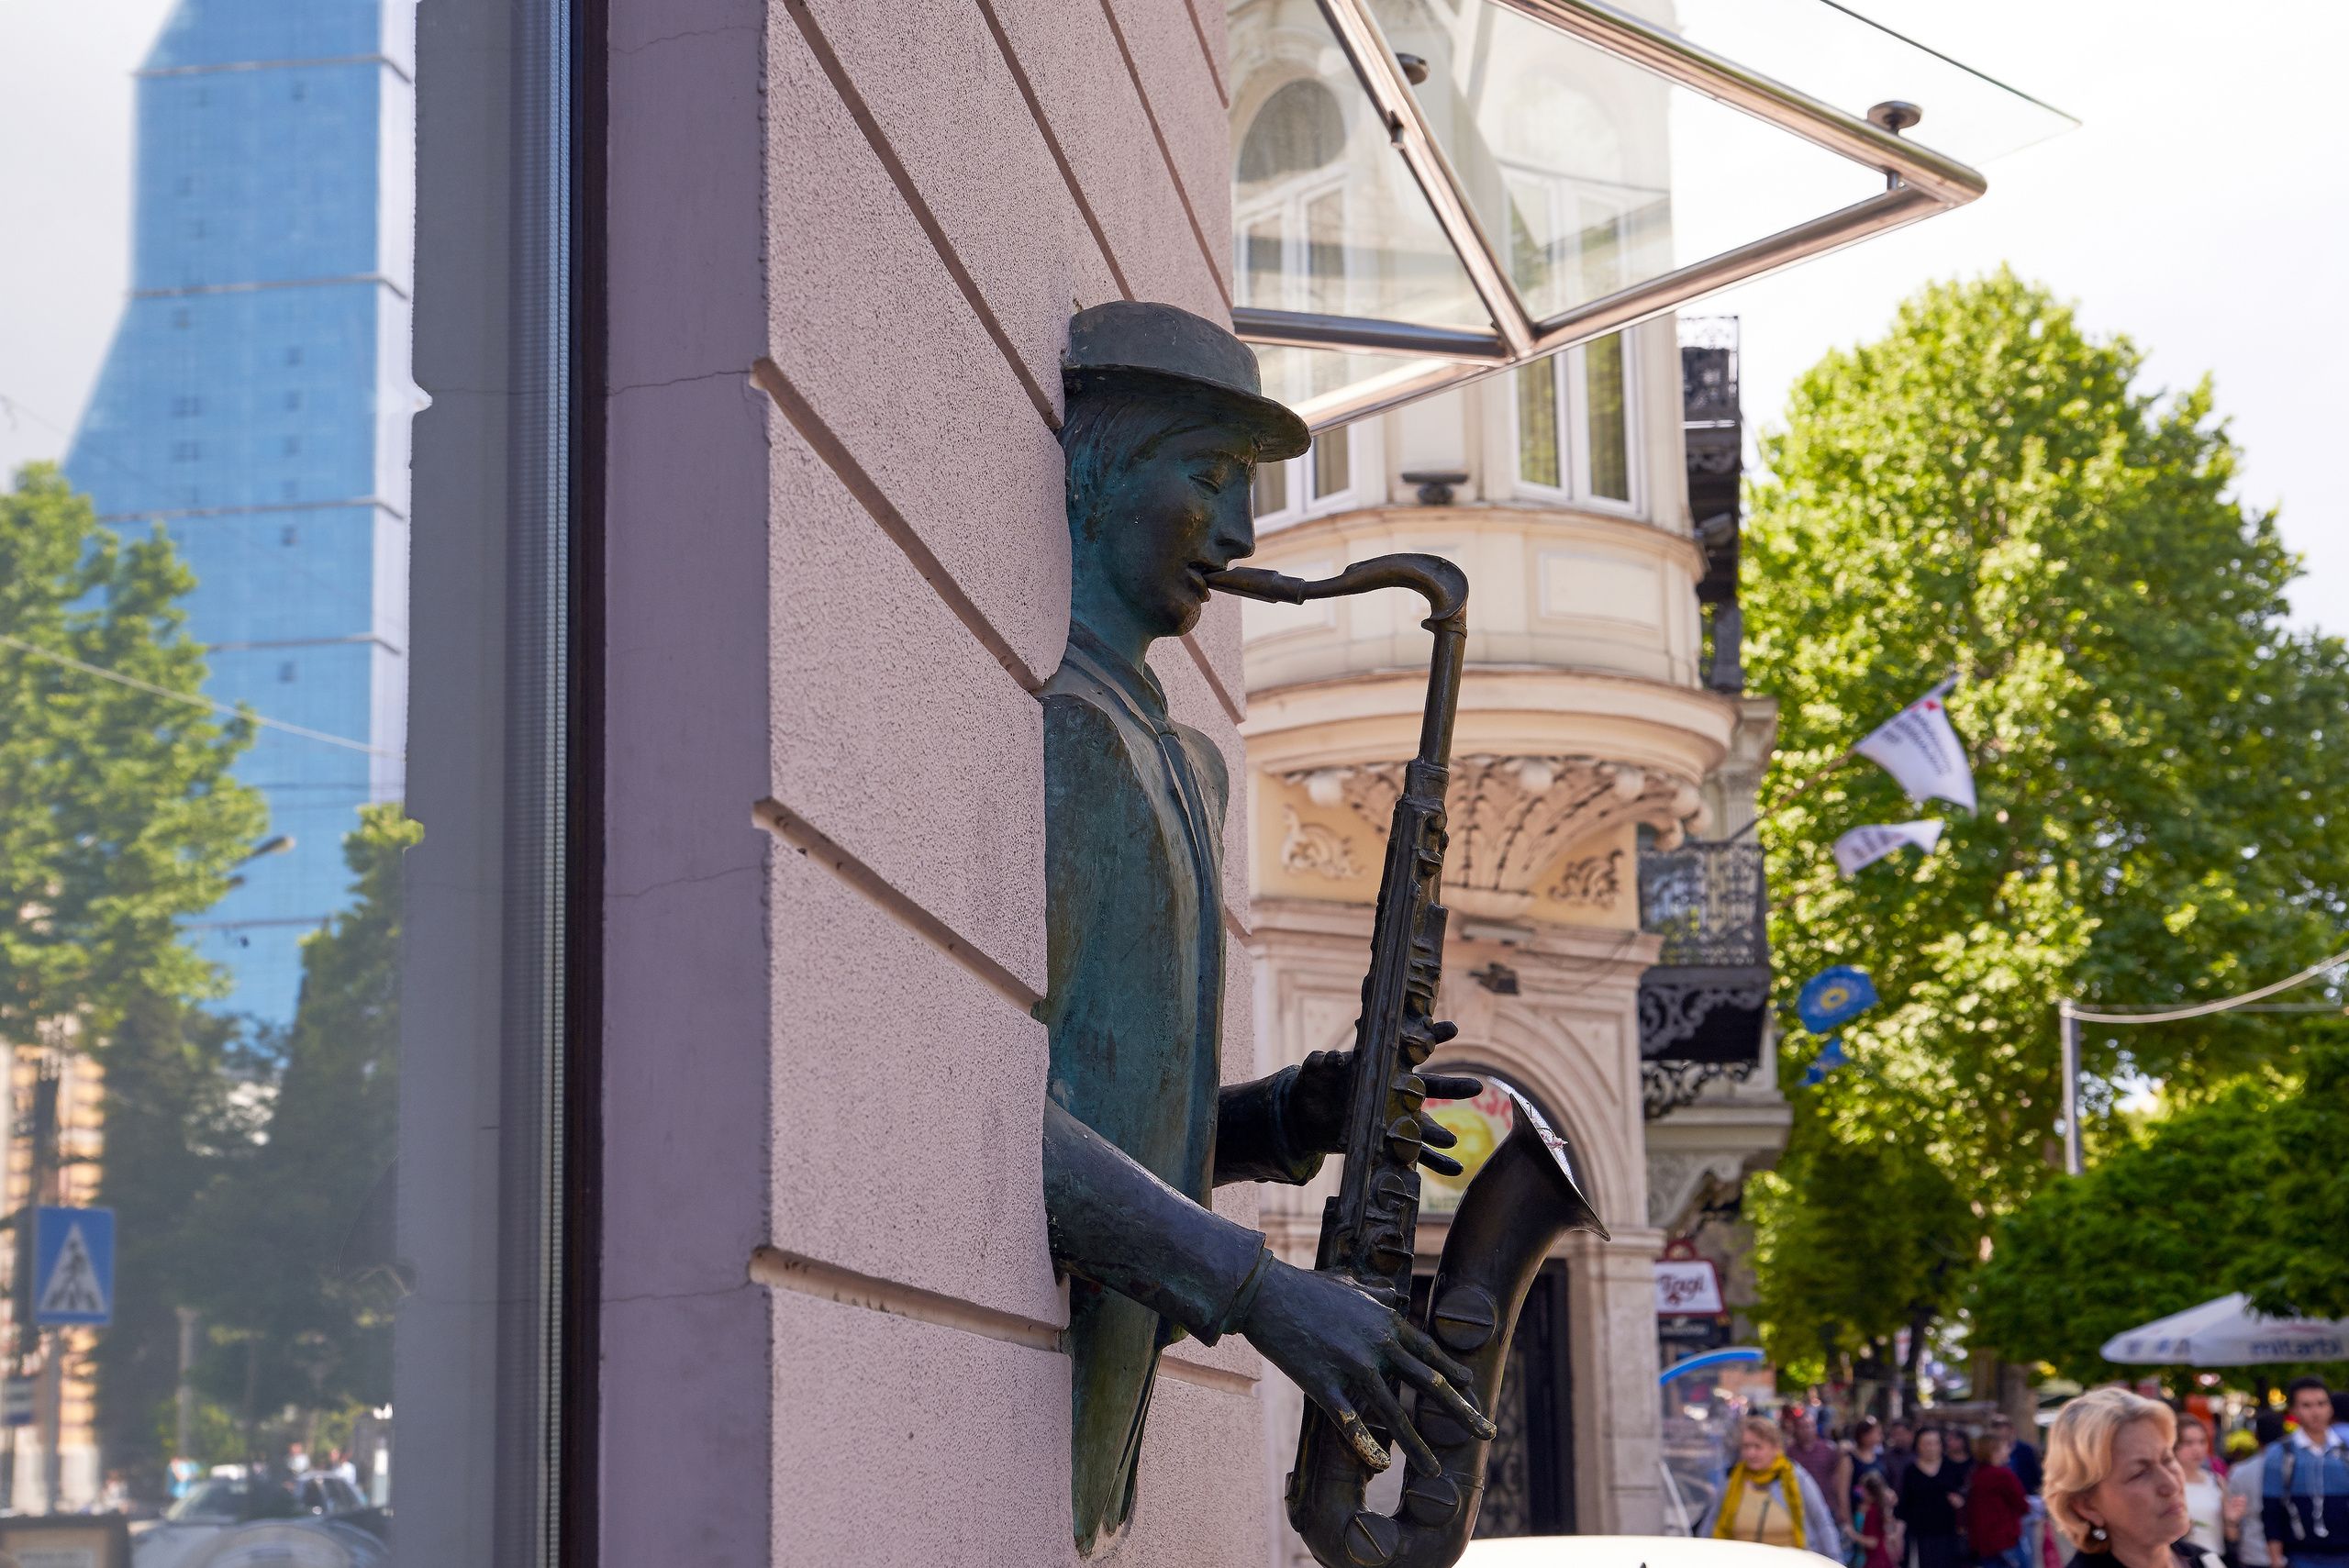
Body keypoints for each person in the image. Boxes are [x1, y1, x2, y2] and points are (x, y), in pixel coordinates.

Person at [1035, 300, 1499, 1552]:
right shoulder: (1075, 733)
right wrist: (1259, 1294)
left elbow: (1127, 1106)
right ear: (1094, 473)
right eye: (1208, 476)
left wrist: (1293, 1114)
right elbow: (1006, 1122)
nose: (1243, 533)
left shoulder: (1185, 757)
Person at [2043, 1386, 2206, 1568]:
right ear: (2086, 1506)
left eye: (2167, 1459)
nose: (2171, 1485)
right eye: (2139, 1474)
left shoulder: (2206, 1561)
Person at [1700, 1414, 1845, 1561]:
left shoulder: (1796, 1478)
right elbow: (1711, 1524)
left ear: (1776, 1448)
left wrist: (1835, 1560)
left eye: (1757, 1446)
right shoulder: (1733, 1480)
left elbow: (1822, 1523)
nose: (1751, 1453)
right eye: (1746, 1446)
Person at [2265, 1378, 2349, 1568]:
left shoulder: (2345, 1450)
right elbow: (2271, 1511)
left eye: (2321, 1403)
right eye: (2306, 1405)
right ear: (2294, 1411)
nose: (2315, 1412)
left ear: (2331, 1407)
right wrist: (2276, 1559)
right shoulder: (2279, 1453)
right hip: (2301, 1557)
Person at [1900, 1426, 1972, 1568]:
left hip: (1950, 1535)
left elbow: (1967, 1496)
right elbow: (1905, 1504)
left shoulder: (1953, 1468)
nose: (1931, 1448)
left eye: (1935, 1443)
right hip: (1921, 1536)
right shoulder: (1910, 1472)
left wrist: (1961, 1502)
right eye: (1926, 1443)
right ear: (1918, 1445)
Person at [2176, 1414, 2245, 1557]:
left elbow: (2231, 1536)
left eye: (2202, 1442)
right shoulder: (2169, 1485)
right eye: (2189, 1443)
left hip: (2214, 1559)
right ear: (2174, 1446)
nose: (2197, 1449)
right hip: (2183, 1560)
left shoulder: (2216, 1481)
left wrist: (2232, 1520)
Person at [2232, 1413, 2289, 1568]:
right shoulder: (2292, 1467)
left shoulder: (2240, 1471)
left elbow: (2235, 1515)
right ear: (2284, 1435)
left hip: (2252, 1550)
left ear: (2256, 1436)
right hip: (2288, 1550)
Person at [1971, 1431, 2035, 1568]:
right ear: (1994, 1451)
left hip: (1985, 1543)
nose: (2008, 1451)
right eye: (2005, 1447)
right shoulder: (2002, 1475)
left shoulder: (1977, 1474)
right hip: (2005, 1539)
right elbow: (2021, 1503)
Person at [1788, 1408, 1846, 1518]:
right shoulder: (1790, 1452)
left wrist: (1840, 1505)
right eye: (1803, 1427)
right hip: (1800, 1507)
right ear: (1797, 1429)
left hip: (1826, 1504)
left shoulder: (1827, 1449)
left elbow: (1837, 1478)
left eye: (1810, 1426)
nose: (1807, 1430)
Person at [1853, 1472, 1903, 1568]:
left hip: (1875, 1561)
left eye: (1862, 1490)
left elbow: (1873, 1542)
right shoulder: (1877, 1509)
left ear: (1867, 1492)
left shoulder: (1873, 1511)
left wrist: (1853, 1535)